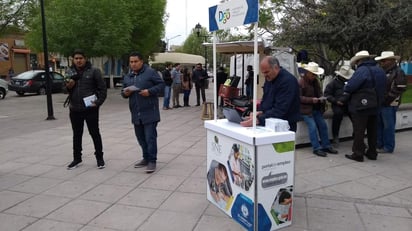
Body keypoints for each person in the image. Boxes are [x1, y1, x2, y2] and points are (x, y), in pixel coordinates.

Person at [121, 52, 165, 173]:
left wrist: (149, 91)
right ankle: (145, 158)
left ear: (141, 62)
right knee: (140, 138)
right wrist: (125, 93)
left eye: (135, 61)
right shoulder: (128, 76)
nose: (133, 64)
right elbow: (123, 92)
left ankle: (152, 161)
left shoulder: (150, 72)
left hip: (150, 111)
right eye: (131, 62)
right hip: (136, 112)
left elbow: (161, 85)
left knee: (150, 137)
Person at [65, 49, 107, 170]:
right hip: (74, 109)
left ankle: (99, 158)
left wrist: (98, 103)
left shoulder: (94, 71)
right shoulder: (69, 71)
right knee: (77, 135)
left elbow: (103, 90)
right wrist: (68, 87)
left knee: (95, 133)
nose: (78, 60)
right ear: (73, 60)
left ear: (85, 58)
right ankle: (77, 159)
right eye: (76, 58)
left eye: (80, 58)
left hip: (90, 109)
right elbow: (64, 89)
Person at [341, 50, 386, 162]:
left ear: (360, 60)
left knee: (359, 131)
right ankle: (372, 152)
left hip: (361, 106)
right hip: (376, 105)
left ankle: (358, 154)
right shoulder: (380, 70)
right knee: (373, 131)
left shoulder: (361, 71)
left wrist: (346, 87)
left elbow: (350, 87)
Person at [240, 56, 300, 132]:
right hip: (269, 123)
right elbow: (266, 100)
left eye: (267, 72)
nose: (265, 75)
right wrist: (259, 112)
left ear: (276, 68)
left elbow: (280, 109)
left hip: (285, 127)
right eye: (263, 73)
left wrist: (258, 119)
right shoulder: (270, 78)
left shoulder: (288, 81)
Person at [299, 62, 338, 157]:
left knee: (323, 126)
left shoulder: (315, 82)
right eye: (313, 74)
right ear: (308, 73)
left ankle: (326, 145)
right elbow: (298, 98)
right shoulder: (301, 82)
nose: (314, 76)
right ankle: (316, 148)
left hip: (315, 109)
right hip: (305, 110)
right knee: (312, 127)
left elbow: (319, 92)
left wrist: (321, 98)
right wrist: (311, 100)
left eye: (315, 75)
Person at [375, 51, 407, 153]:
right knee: (379, 124)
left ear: (392, 60)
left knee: (388, 125)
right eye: (381, 61)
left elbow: (399, 89)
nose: (382, 62)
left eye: (384, 60)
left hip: (390, 103)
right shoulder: (382, 71)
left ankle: (388, 147)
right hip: (381, 102)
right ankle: (379, 144)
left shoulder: (399, 72)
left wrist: (386, 100)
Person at [324, 65, 354, 147]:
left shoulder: (350, 82)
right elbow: (327, 95)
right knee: (338, 114)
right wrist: (336, 101)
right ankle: (335, 136)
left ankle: (356, 135)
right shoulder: (333, 83)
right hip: (337, 104)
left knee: (355, 115)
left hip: (348, 103)